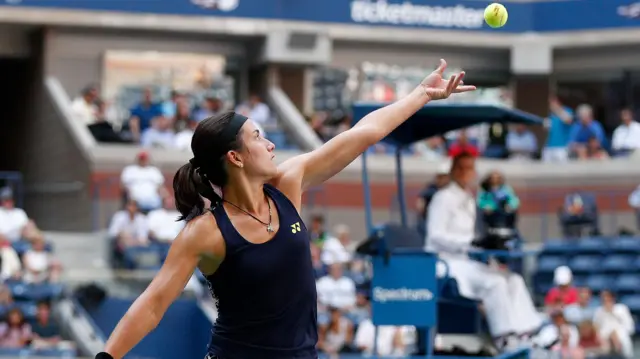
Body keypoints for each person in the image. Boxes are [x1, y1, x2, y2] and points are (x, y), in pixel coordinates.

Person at [95, 59, 474, 359]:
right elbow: (153, 304)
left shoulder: (289, 186)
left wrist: (420, 95)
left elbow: (363, 133)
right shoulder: (206, 232)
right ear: (235, 157)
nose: (271, 144)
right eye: (259, 137)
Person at [425, 152, 542, 351]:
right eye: (460, 168)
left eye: (469, 168)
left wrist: (487, 244)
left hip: (467, 261)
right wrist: (470, 242)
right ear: (453, 171)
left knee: (512, 280)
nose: (465, 173)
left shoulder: (471, 200)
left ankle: (528, 333)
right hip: (445, 263)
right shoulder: (442, 197)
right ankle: (504, 338)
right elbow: (435, 236)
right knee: (494, 283)